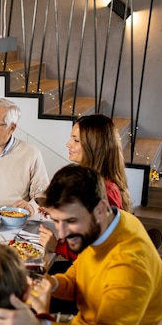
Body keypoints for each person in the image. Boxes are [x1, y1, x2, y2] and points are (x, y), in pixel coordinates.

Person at [0, 164, 162, 325]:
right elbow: (78, 277)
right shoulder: (110, 225)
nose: (61, 234)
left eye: (70, 221)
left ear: (100, 210)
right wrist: (50, 284)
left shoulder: (128, 265)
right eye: (57, 221)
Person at [40, 114, 132, 265]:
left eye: (76, 140)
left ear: (94, 147)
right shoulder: (90, 180)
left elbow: (99, 253)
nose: (67, 144)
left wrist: (57, 246)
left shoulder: (105, 191)